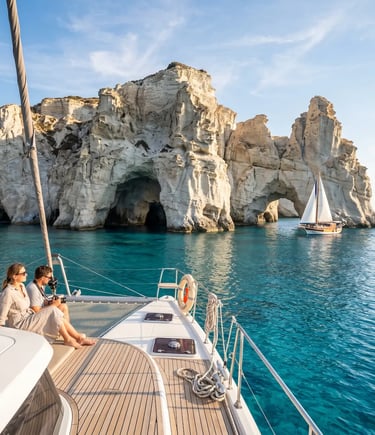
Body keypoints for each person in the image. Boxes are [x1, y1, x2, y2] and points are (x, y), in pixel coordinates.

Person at [0, 263, 95, 349]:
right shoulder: (8, 292)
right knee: (53, 310)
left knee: (56, 309)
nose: (26, 274)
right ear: (14, 276)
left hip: (28, 317)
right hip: (19, 324)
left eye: (26, 272)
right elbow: (1, 316)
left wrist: (49, 302)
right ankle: (69, 339)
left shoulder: (22, 286)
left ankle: (76, 337)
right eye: (23, 273)